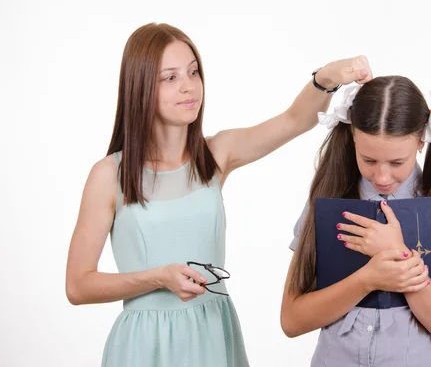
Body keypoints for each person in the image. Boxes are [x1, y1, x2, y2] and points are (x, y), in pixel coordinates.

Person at [64, 22, 373, 367]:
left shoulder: (215, 155)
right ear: (139, 88)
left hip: (213, 333)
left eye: (193, 72)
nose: (188, 87)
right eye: (170, 78)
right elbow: (78, 285)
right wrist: (157, 278)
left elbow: (295, 120)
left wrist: (328, 75)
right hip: (144, 345)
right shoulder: (109, 175)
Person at [281, 75, 431, 366]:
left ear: (420, 141)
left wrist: (399, 256)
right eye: (368, 160)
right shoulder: (329, 198)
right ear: (352, 135)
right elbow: (292, 320)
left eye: (396, 163)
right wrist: (367, 280)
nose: (382, 177)